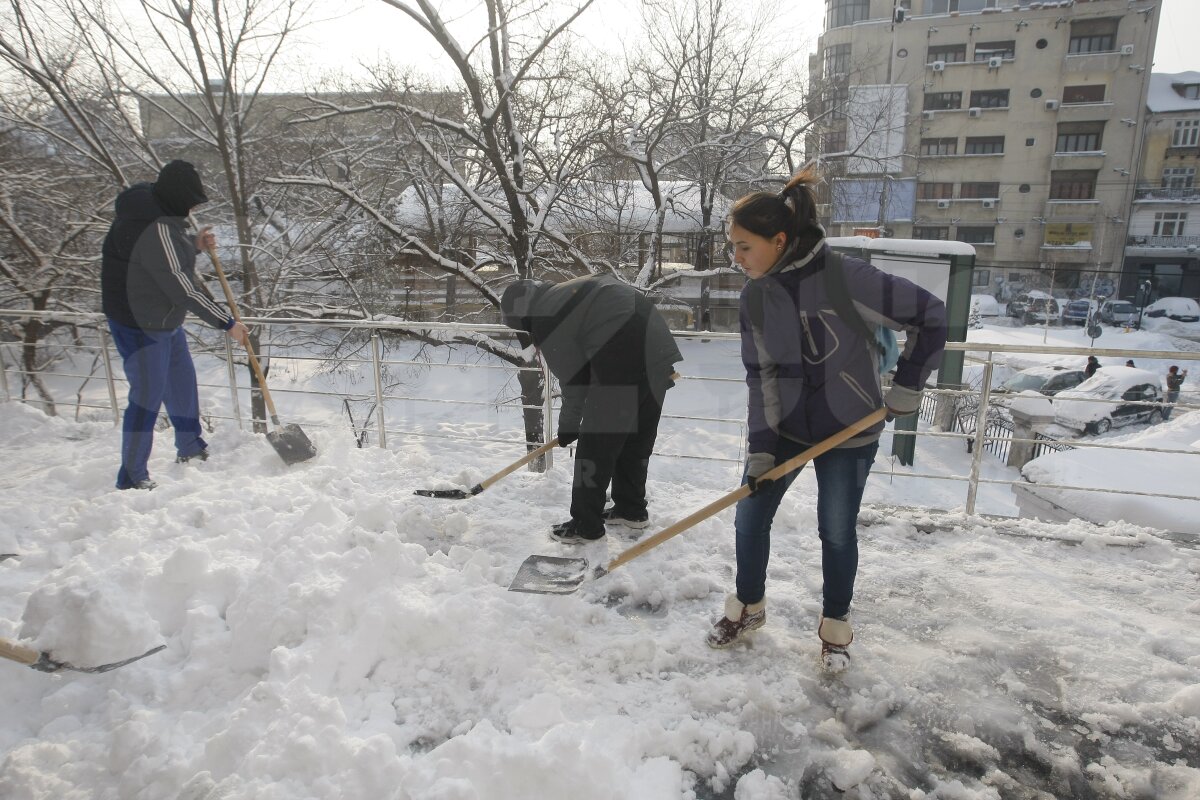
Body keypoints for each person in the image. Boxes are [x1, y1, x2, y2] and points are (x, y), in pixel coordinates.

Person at [706, 168, 947, 673]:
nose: (737, 257)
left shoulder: (845, 277)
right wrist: (761, 448)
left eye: (744, 246)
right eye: (734, 245)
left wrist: (906, 386)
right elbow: (762, 375)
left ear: (779, 240)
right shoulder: (755, 296)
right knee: (750, 516)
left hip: (851, 428)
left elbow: (931, 316)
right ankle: (748, 608)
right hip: (788, 428)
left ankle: (835, 629)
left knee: (836, 530)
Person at [101, 160, 249, 490]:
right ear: (177, 197)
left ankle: (190, 447)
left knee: (181, 382)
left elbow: (164, 258)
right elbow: (183, 287)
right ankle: (132, 477)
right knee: (148, 395)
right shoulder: (155, 227)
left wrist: (194, 245)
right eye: (191, 201)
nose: (194, 206)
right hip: (139, 322)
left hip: (162, 317)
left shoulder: (157, 212)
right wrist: (227, 323)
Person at [500, 276, 682, 542]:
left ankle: (586, 525)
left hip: (621, 357)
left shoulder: (546, 316)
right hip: (657, 348)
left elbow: (574, 382)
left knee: (594, 447)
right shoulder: (565, 292)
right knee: (634, 439)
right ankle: (631, 509)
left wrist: (569, 428)